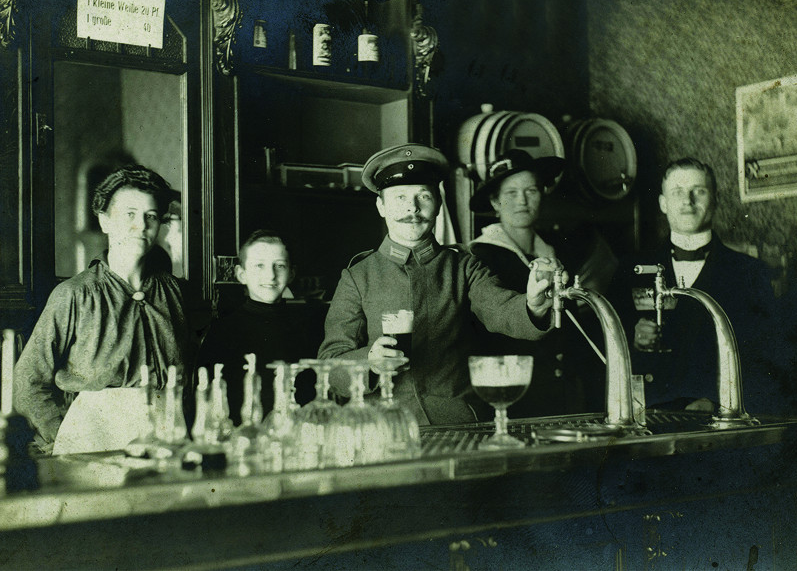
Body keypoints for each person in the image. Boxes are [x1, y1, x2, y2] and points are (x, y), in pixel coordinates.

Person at [317, 144, 560, 425]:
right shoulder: (358, 277)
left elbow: (502, 309)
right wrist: (369, 362)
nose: (412, 208)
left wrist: (533, 305)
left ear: (438, 204)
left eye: (424, 196)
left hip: (457, 423)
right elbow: (330, 366)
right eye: (399, 198)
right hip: (382, 427)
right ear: (381, 206)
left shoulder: (463, 266)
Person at [14, 165, 191, 453]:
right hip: (93, 443)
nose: (141, 225)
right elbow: (28, 381)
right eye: (129, 214)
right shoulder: (75, 294)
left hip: (167, 439)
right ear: (105, 221)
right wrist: (65, 438)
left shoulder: (174, 292)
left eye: (151, 216)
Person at [607, 157, 777, 413]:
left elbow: (768, 358)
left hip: (720, 420)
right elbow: (606, 347)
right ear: (663, 203)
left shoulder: (751, 273)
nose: (688, 201)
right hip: (649, 418)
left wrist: (716, 400)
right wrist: (632, 337)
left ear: (715, 199)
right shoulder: (630, 270)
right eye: (677, 192)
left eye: (698, 191)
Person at [468, 149, 616, 417]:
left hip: (564, 395)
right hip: (512, 398)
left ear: (542, 194)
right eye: (511, 193)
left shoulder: (556, 251)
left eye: (531, 191)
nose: (522, 201)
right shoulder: (480, 257)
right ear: (495, 202)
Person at [198, 230, 322, 425]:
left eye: (279, 266)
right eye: (259, 266)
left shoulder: (307, 328)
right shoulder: (223, 330)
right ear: (241, 274)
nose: (270, 275)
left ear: (291, 273)